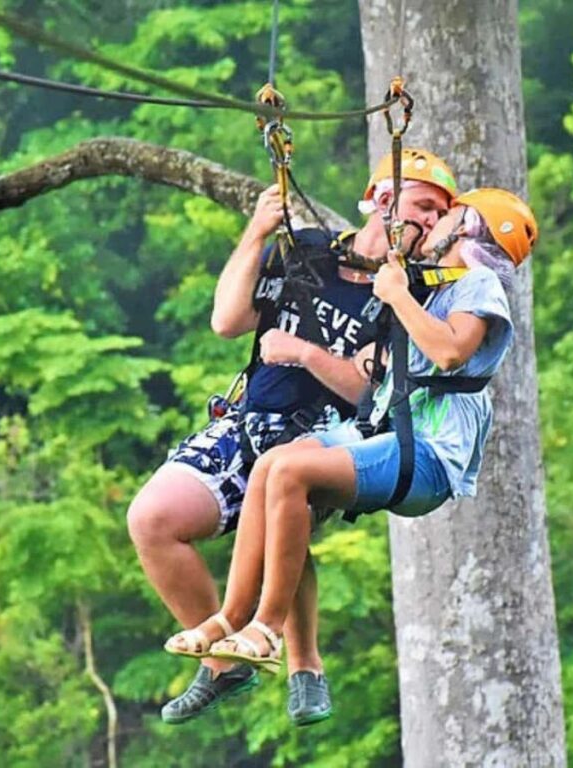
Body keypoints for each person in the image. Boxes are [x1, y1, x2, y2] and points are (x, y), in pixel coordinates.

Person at [127, 148, 457, 725]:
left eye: (439, 215)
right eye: (423, 205)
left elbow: (370, 393)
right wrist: (257, 233)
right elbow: (228, 321)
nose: (430, 221)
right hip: (249, 419)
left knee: (286, 489)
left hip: (327, 435)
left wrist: (305, 353)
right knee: (151, 519)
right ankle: (225, 663)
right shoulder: (305, 252)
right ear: (383, 199)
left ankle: (304, 662)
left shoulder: (409, 295)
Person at [165, 188, 539, 677]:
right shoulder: (436, 286)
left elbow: (450, 353)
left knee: (292, 473)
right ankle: (230, 617)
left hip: (428, 453)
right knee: (273, 463)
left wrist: (397, 295)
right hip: (395, 434)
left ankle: (268, 628)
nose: (437, 221)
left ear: (468, 228)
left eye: (449, 214)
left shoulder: (479, 283)